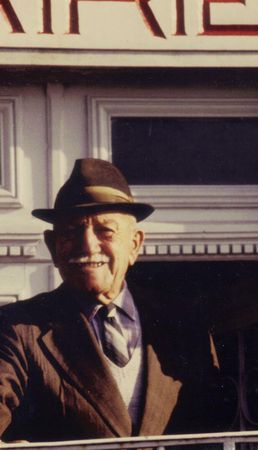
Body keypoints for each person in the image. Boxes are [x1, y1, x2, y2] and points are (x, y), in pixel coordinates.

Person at [0, 158, 222, 442]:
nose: (88, 245)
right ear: (52, 247)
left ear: (134, 244)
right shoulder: (18, 330)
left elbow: (214, 429)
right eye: (71, 232)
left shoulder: (183, 325)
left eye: (105, 231)